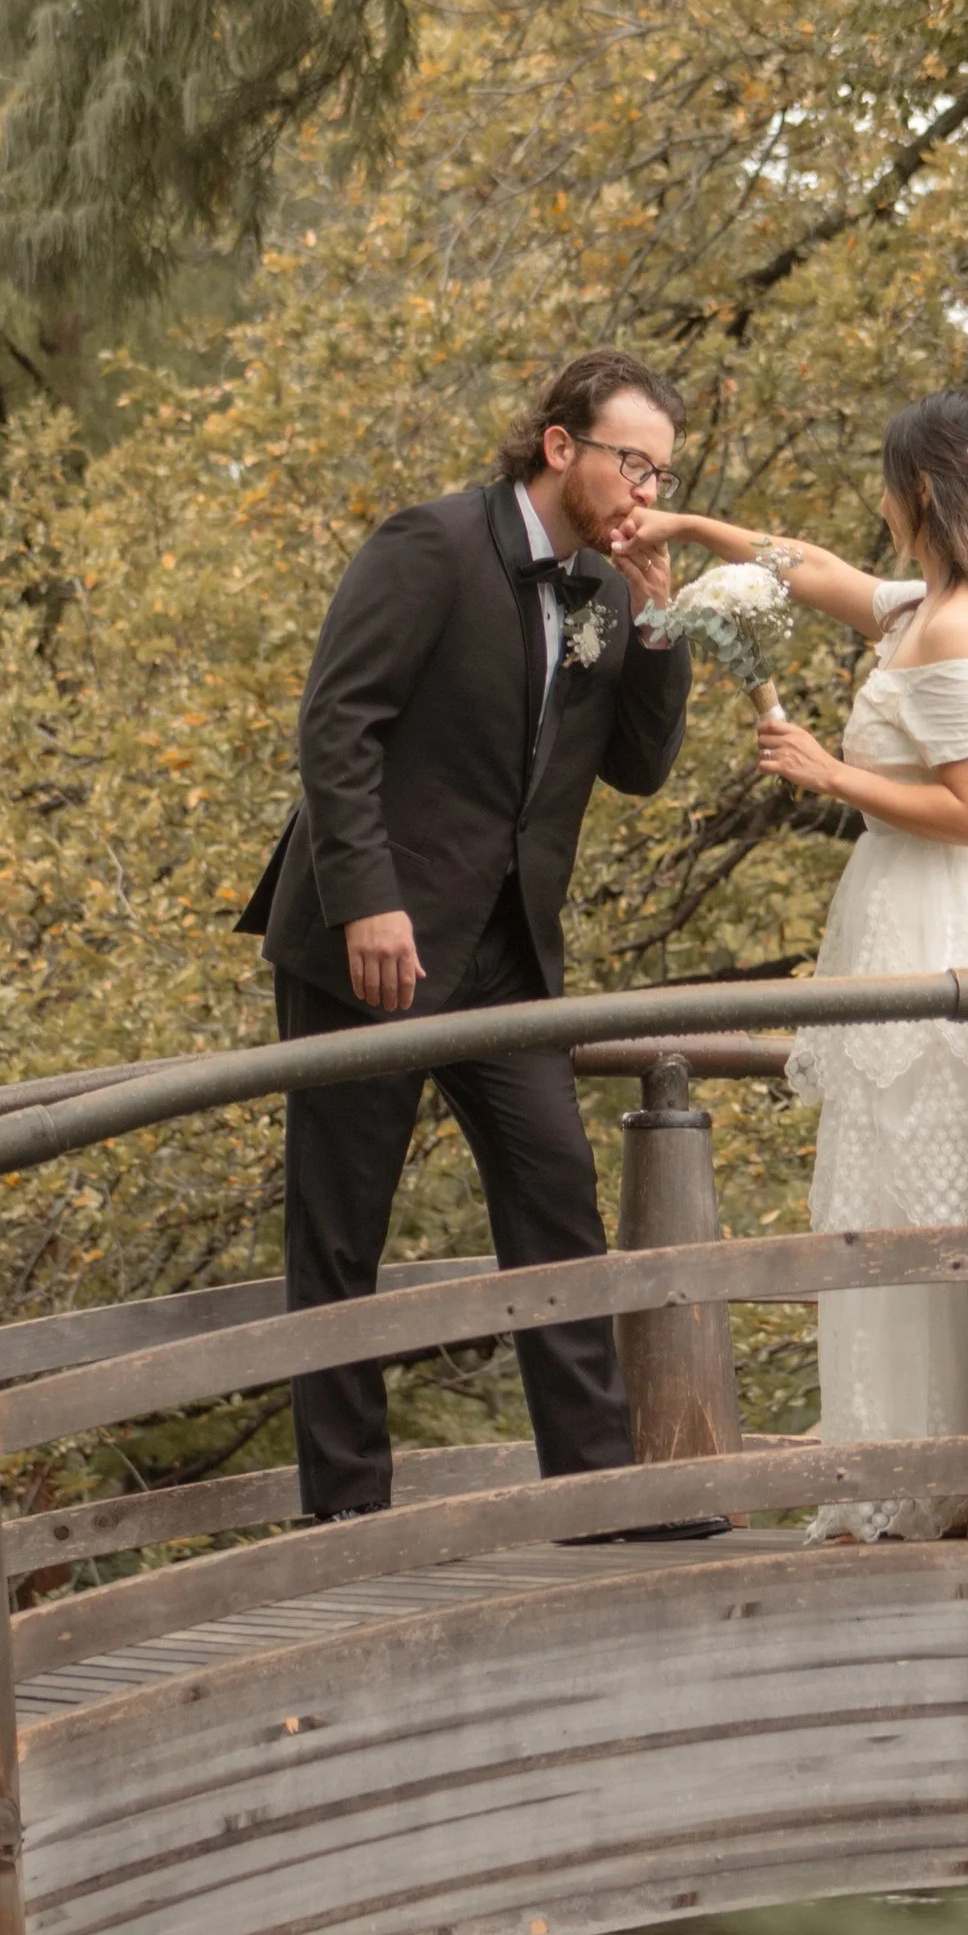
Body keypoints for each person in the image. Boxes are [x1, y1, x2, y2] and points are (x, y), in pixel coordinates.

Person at [631, 390, 968, 1536]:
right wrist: (691, 533)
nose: (877, 503)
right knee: (889, 1182)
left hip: (955, 932)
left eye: (888, 483)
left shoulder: (959, 633)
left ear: (925, 494)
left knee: (935, 1186)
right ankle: (907, 1467)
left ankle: (953, 1484)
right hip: (903, 914)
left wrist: (826, 773)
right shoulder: (919, 607)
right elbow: (802, 570)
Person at [238, 348, 701, 1522]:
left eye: (660, 470)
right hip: (372, 944)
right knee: (342, 1228)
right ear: (562, 449)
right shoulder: (430, 544)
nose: (647, 490)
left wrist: (658, 625)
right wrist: (366, 900)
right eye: (632, 464)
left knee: (559, 1198)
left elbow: (639, 773)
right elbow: (337, 725)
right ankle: (346, 1514)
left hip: (506, 957)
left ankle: (601, 1497)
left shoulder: (604, 593)